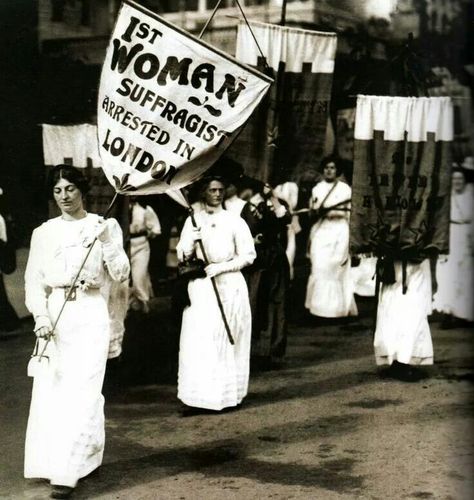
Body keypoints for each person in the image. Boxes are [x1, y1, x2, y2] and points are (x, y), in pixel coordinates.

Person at [24, 165, 130, 498]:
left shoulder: (104, 225)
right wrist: (40, 316)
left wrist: (107, 242)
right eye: (58, 190)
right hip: (56, 313)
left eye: (70, 188)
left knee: (84, 389)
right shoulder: (43, 233)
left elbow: (121, 273)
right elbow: (33, 280)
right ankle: (61, 459)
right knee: (53, 389)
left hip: (90, 312)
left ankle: (67, 470)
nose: (64, 196)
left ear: (82, 190)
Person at [176, 176, 256, 412]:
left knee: (223, 338)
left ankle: (225, 396)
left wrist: (221, 267)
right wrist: (191, 240)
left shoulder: (234, 221)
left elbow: (249, 255)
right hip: (201, 287)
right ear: (204, 192)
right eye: (212, 190)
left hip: (228, 286)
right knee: (199, 340)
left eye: (221, 190)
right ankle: (197, 398)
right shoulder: (194, 220)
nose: (217, 194)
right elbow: (182, 255)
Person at [239, 178, 291, 366]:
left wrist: (274, 199)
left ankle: (274, 350)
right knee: (255, 301)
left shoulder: (279, 204)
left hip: (276, 257)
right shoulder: (249, 206)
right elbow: (244, 230)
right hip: (257, 259)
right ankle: (253, 350)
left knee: (277, 302)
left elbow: (285, 218)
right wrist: (251, 241)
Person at [305, 157, 358, 318]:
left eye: (333, 167)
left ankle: (336, 310)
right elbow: (312, 210)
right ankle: (318, 309)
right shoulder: (317, 189)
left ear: (337, 170)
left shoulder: (345, 190)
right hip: (322, 230)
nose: (329, 170)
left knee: (335, 268)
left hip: (340, 230)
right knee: (319, 266)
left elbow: (351, 212)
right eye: (326, 167)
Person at [433, 167, 474, 324]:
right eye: (454, 179)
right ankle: (447, 311)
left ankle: (463, 313)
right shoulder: (446, 198)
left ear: (465, 181)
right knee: (447, 274)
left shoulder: (470, 196)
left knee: (465, 274)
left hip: (467, 235)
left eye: (460, 179)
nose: (457, 182)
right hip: (450, 234)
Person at [129, 197, 161, 313]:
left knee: (139, 277)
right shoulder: (120, 210)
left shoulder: (144, 210)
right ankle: (129, 307)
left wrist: (147, 233)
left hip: (141, 246)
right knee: (123, 279)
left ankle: (144, 305)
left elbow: (156, 229)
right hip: (125, 245)